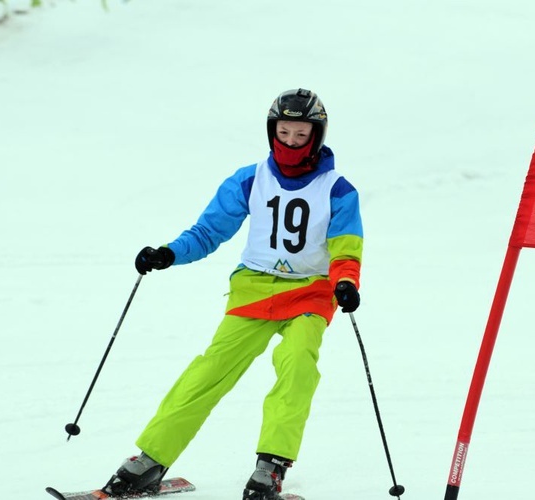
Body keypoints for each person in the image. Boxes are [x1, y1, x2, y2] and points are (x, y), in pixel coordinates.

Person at [102, 88, 363, 500]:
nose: (291, 143)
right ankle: (151, 458)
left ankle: (271, 466)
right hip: (253, 290)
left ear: (317, 136)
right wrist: (169, 253)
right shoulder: (249, 179)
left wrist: (346, 282)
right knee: (209, 370)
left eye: (300, 135)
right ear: (271, 131)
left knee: (297, 363)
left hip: (311, 293)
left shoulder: (338, 189)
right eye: (283, 133)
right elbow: (209, 231)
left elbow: (346, 247)